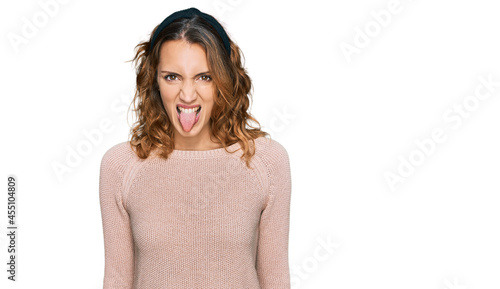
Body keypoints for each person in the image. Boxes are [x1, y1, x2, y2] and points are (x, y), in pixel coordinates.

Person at [98, 7, 292, 288]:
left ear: (224, 80)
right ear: (154, 80)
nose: (187, 95)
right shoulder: (121, 165)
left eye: (204, 76)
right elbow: (116, 281)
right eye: (172, 77)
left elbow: (276, 281)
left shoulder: (266, 162)